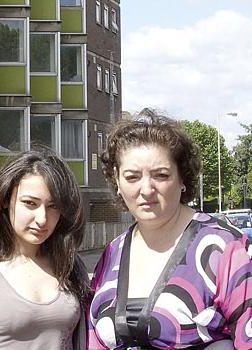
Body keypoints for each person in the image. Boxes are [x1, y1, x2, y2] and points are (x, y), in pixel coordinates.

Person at [89, 110, 251, 349]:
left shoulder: (224, 247)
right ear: (117, 180)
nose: (146, 189)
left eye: (161, 175)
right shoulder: (114, 251)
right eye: (132, 177)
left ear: (182, 178)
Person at [0, 148, 90, 350]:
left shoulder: (71, 266)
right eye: (30, 203)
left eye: (53, 206)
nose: (42, 219)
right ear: (6, 200)